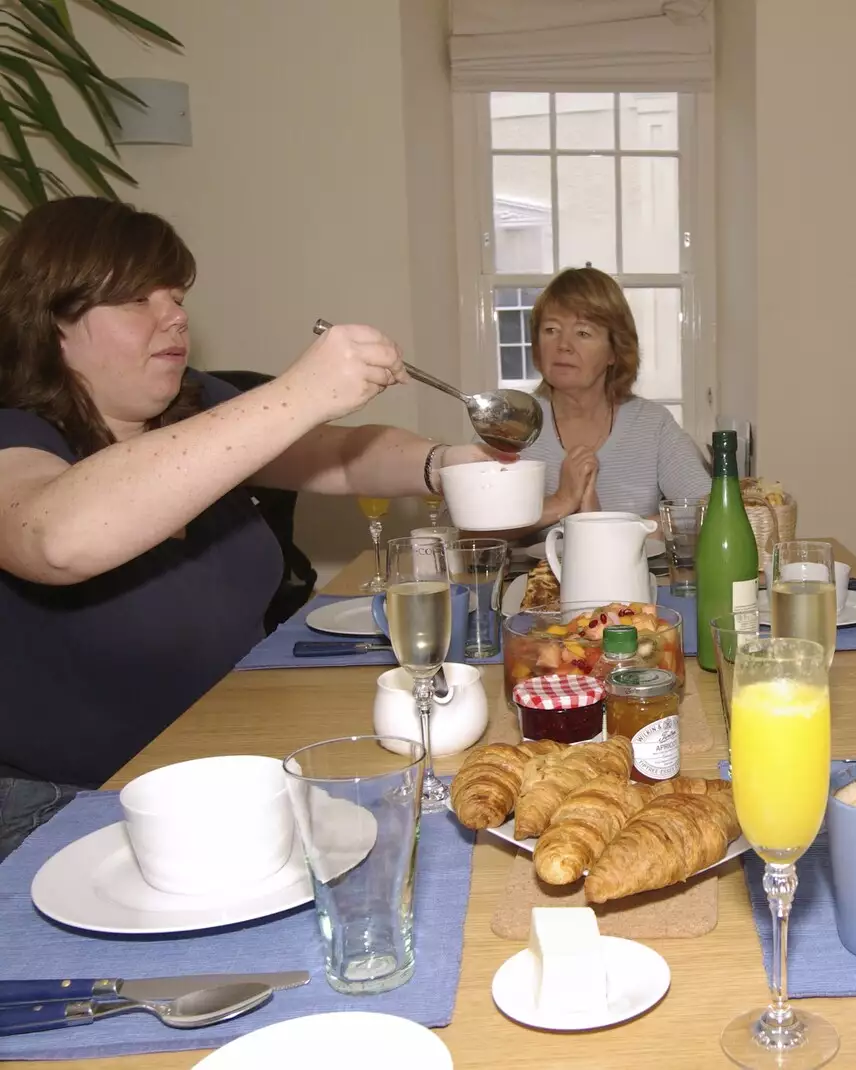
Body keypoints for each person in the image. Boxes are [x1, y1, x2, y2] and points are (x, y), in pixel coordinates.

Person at [0, 197, 497, 861]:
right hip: (74, 812)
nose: (174, 314)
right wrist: (301, 391)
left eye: (175, 294)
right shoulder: (15, 435)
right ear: (50, 320)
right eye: (137, 300)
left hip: (233, 765)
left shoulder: (191, 407)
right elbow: (54, 538)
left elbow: (340, 459)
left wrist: (446, 465)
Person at [515, 267, 709, 527]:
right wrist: (561, 501)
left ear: (613, 352)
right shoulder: (512, 422)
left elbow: (708, 512)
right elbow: (466, 528)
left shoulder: (652, 425)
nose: (563, 345)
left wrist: (607, 527)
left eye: (583, 333)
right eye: (551, 330)